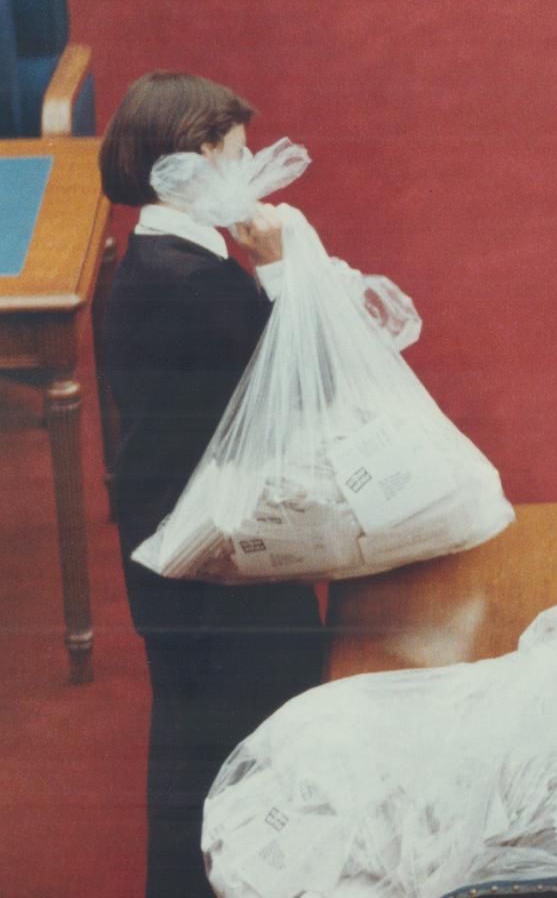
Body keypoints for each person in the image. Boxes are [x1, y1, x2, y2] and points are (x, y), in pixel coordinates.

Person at [98, 72, 328, 898]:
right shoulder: (196, 286)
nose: (251, 171)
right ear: (190, 164)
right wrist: (273, 271)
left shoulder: (152, 260)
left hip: (176, 550)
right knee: (251, 751)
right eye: (235, 156)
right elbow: (299, 384)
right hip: (218, 565)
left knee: (195, 754)